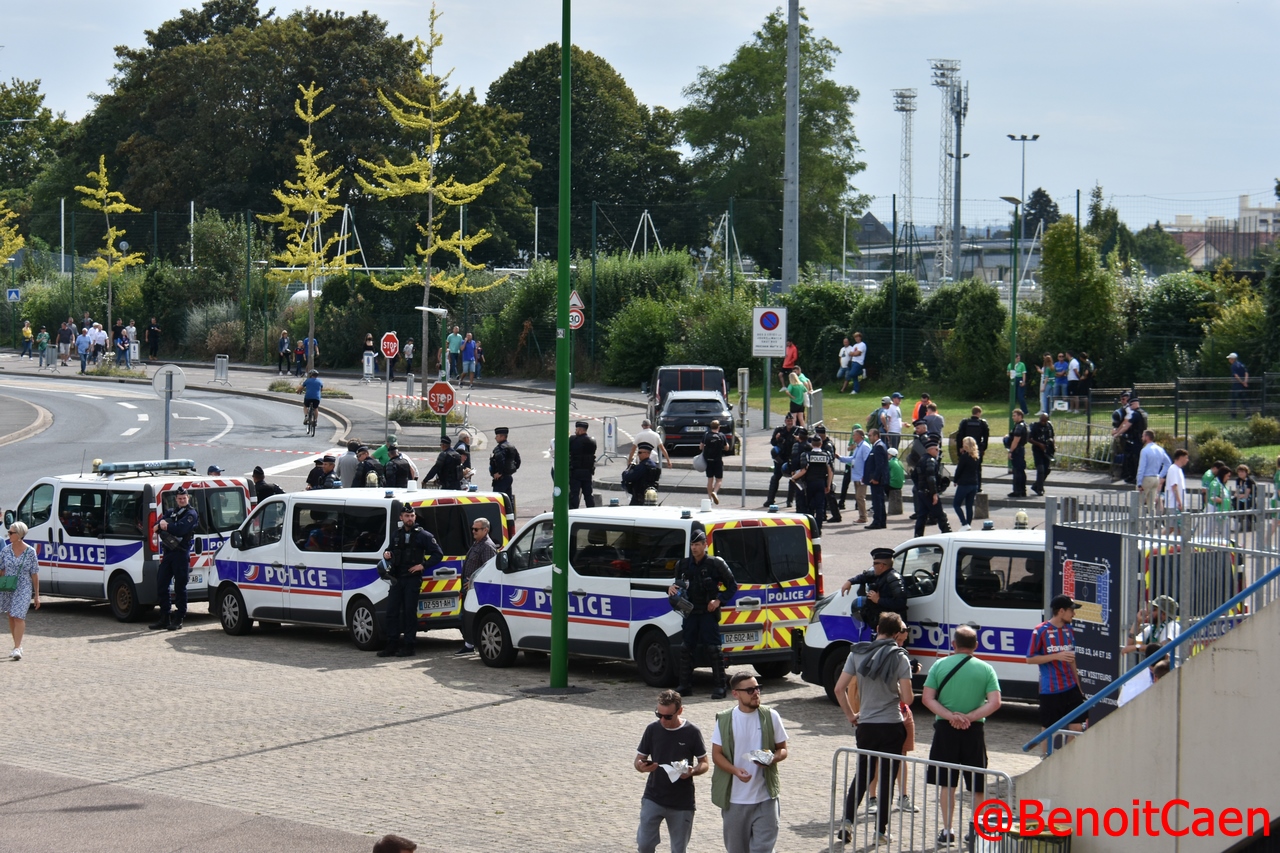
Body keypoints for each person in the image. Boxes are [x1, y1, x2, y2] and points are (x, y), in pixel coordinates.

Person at [835, 612, 914, 848]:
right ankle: (880, 832)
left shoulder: (857, 653)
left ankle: (847, 822)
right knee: (887, 780)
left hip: (866, 724)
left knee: (862, 775)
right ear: (897, 634)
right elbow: (908, 698)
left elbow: (839, 689)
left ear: (877, 628)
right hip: (891, 724)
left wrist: (851, 715)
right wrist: (896, 690)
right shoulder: (900, 657)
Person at [921, 624, 1002, 848]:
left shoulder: (939, 665)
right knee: (977, 784)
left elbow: (927, 698)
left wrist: (950, 716)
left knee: (947, 784)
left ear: (953, 644)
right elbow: (995, 702)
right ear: (976, 645)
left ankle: (948, 830)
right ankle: (975, 829)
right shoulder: (986, 669)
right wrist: (970, 717)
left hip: (945, 730)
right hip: (973, 731)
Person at [710, 672, 788, 853]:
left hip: (766, 798)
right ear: (735, 694)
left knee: (763, 849)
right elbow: (716, 755)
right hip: (735, 800)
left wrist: (772, 758)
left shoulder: (771, 716)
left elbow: (783, 749)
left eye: (758, 688)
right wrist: (735, 771)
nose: (756, 693)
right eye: (750, 690)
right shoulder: (725, 719)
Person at [635, 689, 709, 853]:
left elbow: (704, 763)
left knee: (679, 849)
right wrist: (641, 766)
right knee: (644, 845)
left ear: (680, 711)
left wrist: (692, 771)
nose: (663, 720)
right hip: (653, 796)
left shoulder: (692, 732)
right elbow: (638, 760)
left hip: (682, 801)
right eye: (659, 715)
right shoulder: (652, 729)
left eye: (668, 716)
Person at [670, 528, 738, 698]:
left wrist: (719, 600)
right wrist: (671, 589)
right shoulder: (683, 565)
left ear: (705, 545)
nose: (694, 548)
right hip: (690, 612)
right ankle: (685, 686)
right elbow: (677, 586)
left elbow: (732, 585)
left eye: (698, 545)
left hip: (708, 612)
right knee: (686, 648)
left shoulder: (715, 564)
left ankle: (720, 687)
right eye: (692, 545)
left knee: (714, 649)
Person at [378, 506, 443, 658]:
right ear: (401, 517)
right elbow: (389, 550)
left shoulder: (423, 535)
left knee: (409, 613)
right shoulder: (396, 534)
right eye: (407, 516)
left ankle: (409, 646)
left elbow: (438, 554)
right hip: (397, 578)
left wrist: (423, 565)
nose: (410, 518)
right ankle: (392, 645)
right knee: (392, 612)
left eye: (412, 516)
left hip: (412, 578)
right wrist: (387, 554)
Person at [1027, 595, 1085, 754]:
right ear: (1061, 611)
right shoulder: (1041, 630)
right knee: (1049, 728)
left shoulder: (1069, 630)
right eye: (1071, 610)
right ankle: (1047, 759)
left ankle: (1066, 758)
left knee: (1077, 727)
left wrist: (1078, 685)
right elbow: (1030, 659)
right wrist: (1056, 656)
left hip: (1071, 687)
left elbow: (1071, 659)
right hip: (1050, 689)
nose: (1074, 614)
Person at [148, 487, 200, 631]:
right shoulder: (171, 512)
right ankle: (165, 617)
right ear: (176, 499)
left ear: (188, 498)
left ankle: (179, 618)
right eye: (179, 498)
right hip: (168, 553)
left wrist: (166, 525)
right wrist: (163, 525)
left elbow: (180, 529)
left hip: (181, 553)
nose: (182, 500)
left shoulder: (191, 514)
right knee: (161, 584)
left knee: (180, 587)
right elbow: (155, 527)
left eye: (184, 498)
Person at [456, 517, 499, 655]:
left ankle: (471, 645)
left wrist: (474, 581)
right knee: (464, 618)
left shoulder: (487, 546)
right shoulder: (478, 543)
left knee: (468, 617)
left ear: (485, 530)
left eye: (476, 529)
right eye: (472, 528)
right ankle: (469, 644)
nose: (473, 531)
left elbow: (489, 569)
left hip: (477, 589)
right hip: (469, 588)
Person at [1, 521, 40, 660]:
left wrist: (37, 595)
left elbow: (34, 573)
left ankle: (17, 648)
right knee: (11, 615)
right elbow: (1, 569)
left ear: (19, 534)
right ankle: (16, 645)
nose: (8, 535)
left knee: (18, 616)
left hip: (24, 587)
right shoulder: (5, 551)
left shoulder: (30, 552)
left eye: (11, 533)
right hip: (8, 587)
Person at [842, 547, 907, 630]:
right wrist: (850, 582)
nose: (873, 566)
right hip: (881, 624)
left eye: (875, 563)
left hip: (892, 627)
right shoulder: (880, 575)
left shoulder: (894, 579)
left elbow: (900, 603)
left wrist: (878, 600)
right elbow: (865, 576)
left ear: (881, 566)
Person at [792, 433, 833, 536]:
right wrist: (828, 485)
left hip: (809, 484)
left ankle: (810, 528)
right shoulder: (826, 455)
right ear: (821, 444)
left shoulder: (806, 455)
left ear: (812, 444)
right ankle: (818, 529)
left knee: (809, 507)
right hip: (821, 483)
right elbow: (830, 472)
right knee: (820, 507)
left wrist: (793, 478)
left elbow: (803, 470)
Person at [913, 438, 952, 537]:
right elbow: (931, 478)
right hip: (929, 493)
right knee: (940, 515)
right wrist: (934, 493)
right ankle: (948, 534)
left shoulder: (921, 459)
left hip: (922, 492)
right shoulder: (931, 461)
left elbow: (914, 475)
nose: (938, 451)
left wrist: (919, 487)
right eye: (936, 449)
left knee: (922, 516)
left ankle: (918, 536)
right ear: (930, 449)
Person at [764, 413, 798, 508]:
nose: (789, 422)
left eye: (791, 421)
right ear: (785, 421)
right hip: (780, 459)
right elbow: (773, 443)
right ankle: (770, 500)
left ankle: (789, 501)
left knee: (793, 479)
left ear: (793, 421)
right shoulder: (779, 430)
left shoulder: (797, 431)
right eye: (788, 421)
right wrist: (777, 438)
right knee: (775, 478)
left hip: (791, 458)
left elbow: (803, 441)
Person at [837, 428, 870, 524]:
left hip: (861, 476)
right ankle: (862, 516)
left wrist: (865, 475)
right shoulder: (858, 447)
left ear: (859, 436)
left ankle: (863, 517)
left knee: (860, 497)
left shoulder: (865, 447)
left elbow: (868, 462)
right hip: (856, 476)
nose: (853, 437)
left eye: (854, 435)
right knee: (858, 497)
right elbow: (853, 458)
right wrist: (841, 458)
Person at [954, 406, 990, 492]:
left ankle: (963, 485)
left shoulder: (965, 422)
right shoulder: (982, 423)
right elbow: (986, 438)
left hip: (965, 448)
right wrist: (983, 448)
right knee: (977, 468)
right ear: (979, 413)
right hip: (976, 449)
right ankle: (978, 486)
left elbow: (959, 436)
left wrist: (960, 447)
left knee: (963, 467)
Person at [1136, 430, 1171, 514]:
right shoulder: (1160, 449)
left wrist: (1139, 483)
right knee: (1151, 504)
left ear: (1147, 437)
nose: (1142, 438)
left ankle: (1138, 522)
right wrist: (1161, 475)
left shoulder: (1145, 450)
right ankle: (1152, 521)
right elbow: (1168, 463)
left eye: (1143, 436)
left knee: (1138, 503)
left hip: (1146, 478)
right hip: (1155, 478)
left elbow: (1141, 467)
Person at [862, 428, 889, 530]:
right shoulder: (877, 446)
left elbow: (879, 465)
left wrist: (876, 478)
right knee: (879, 500)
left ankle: (877, 521)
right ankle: (881, 521)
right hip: (877, 479)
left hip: (877, 480)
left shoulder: (879, 447)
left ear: (876, 436)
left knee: (877, 501)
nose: (869, 437)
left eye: (870, 435)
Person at [953, 436, 980, 531]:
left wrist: (955, 480)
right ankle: (968, 524)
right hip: (974, 483)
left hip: (964, 483)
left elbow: (959, 470)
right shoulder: (976, 457)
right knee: (969, 506)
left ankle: (964, 523)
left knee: (956, 504)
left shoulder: (964, 457)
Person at [568, 420, 597, 509]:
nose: (575, 431)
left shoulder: (573, 440)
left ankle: (573, 510)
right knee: (588, 494)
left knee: (574, 494)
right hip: (588, 472)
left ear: (580, 430)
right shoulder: (592, 441)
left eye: (576, 430)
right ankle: (591, 510)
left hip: (576, 472)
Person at [489, 426, 520, 509]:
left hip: (501, 479)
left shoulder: (500, 448)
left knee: (497, 500)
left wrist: (499, 473)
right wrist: (511, 470)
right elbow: (518, 461)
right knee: (508, 501)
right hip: (508, 477)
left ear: (502, 437)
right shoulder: (512, 447)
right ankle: (510, 515)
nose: (495, 438)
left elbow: (500, 461)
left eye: (497, 436)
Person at [701, 419, 729, 506]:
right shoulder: (721, 435)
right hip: (718, 460)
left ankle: (710, 498)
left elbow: (701, 447)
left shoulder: (706, 435)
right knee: (719, 479)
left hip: (708, 460)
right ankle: (715, 492)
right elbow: (726, 448)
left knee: (710, 479)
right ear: (718, 427)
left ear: (711, 427)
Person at [1028, 412, 1056, 496]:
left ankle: (1036, 485)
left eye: (1045, 421)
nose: (1043, 422)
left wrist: (1053, 446)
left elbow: (1052, 437)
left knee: (1047, 469)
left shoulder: (1049, 426)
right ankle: (1040, 489)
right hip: (1037, 450)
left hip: (1047, 450)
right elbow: (1029, 439)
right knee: (1040, 469)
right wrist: (1039, 444)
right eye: (1042, 420)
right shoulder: (1035, 426)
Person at [1161, 449, 1189, 528]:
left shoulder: (1178, 469)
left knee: (1178, 528)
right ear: (1181, 457)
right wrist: (1179, 502)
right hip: (1173, 504)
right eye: (1186, 458)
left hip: (1176, 504)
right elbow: (1174, 487)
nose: (1187, 460)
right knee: (1171, 527)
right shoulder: (1173, 469)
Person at [1004, 409, 1029, 498]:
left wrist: (1011, 451)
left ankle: (1017, 491)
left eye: (1014, 415)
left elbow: (1016, 440)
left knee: (1017, 471)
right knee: (1021, 470)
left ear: (1020, 416)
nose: (1013, 417)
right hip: (1021, 449)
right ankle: (1022, 490)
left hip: (1017, 450)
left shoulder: (1019, 427)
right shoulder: (1025, 425)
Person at [1227, 352, 1249, 418]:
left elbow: (1236, 376)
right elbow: (1246, 373)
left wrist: (1241, 382)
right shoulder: (1242, 365)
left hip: (1236, 385)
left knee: (1234, 401)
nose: (1229, 360)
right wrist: (1245, 381)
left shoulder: (1233, 366)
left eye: (1229, 358)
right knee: (1244, 400)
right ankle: (1248, 414)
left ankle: (1233, 415)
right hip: (1243, 386)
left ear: (1233, 359)